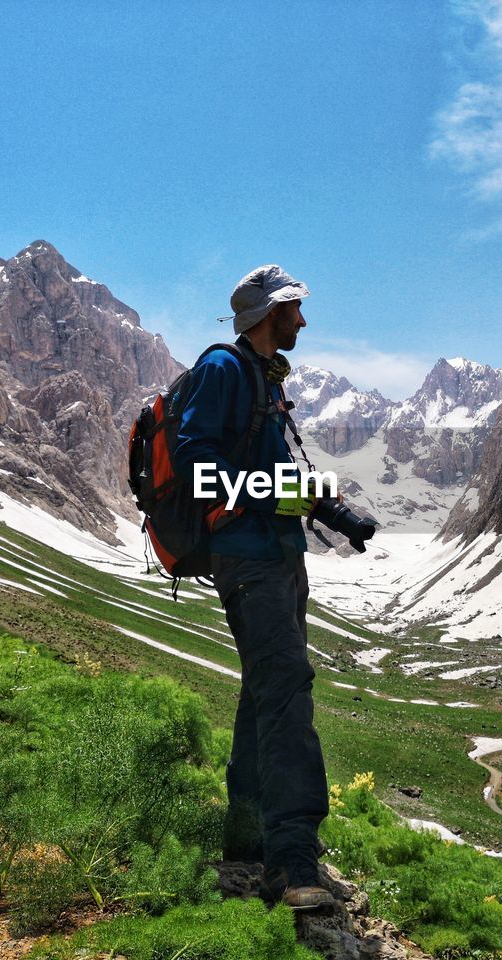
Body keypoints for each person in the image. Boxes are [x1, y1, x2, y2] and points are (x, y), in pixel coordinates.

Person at [171, 264, 334, 912]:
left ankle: (243, 845)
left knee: (261, 697)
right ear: (271, 313)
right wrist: (273, 497)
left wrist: (321, 504)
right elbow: (195, 464)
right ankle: (292, 864)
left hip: (280, 559)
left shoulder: (266, 382)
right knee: (288, 692)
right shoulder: (224, 371)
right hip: (249, 564)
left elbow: (257, 480)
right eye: (295, 308)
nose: (303, 320)